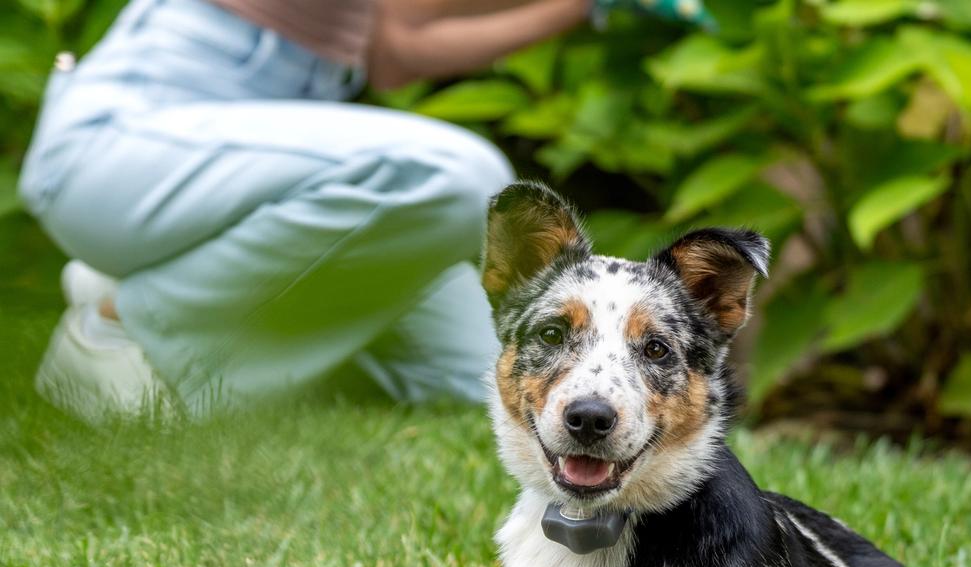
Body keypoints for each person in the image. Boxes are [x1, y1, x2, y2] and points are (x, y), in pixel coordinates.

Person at [17, 0, 607, 422]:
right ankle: (122, 320)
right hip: (125, 138)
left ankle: (183, 278)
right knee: (458, 179)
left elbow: (398, 50)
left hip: (262, 161)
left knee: (501, 376)